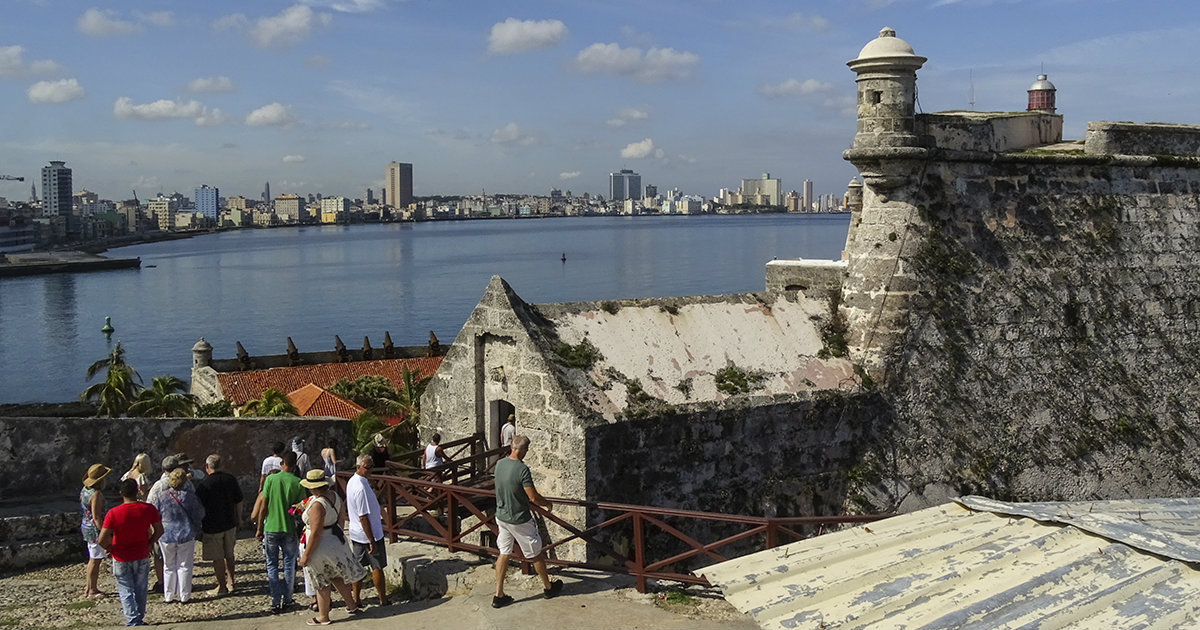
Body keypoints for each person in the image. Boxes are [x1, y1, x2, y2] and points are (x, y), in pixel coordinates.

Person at [492, 435, 562, 608]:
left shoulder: (499, 464)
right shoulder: (522, 469)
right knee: (535, 553)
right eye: (526, 450)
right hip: (519, 518)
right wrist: (548, 503)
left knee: (504, 552)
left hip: (501, 516)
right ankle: (548, 587)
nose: (526, 453)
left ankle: (498, 594)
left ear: (511, 447)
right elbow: (533, 497)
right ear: (522, 450)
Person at [297, 469, 365, 625]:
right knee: (336, 576)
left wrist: (306, 555)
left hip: (320, 547)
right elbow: (340, 520)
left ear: (312, 487)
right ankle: (352, 605)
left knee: (321, 582)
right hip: (334, 540)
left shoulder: (317, 505)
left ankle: (323, 616)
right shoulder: (335, 497)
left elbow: (315, 533)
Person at [99, 478, 163, 627]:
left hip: (121, 556)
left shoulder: (113, 513)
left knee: (125, 588)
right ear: (138, 491)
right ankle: (138, 617)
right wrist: (149, 543)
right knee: (141, 588)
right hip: (141, 553)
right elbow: (159, 530)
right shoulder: (148, 509)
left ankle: (133, 619)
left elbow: (101, 538)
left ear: (121, 493)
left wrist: (110, 548)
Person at [253, 450, 306, 614]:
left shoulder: (270, 479)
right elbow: (301, 507)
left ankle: (276, 600)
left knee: (272, 564)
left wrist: (259, 527)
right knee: (290, 564)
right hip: (289, 527)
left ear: (282, 463)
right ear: (294, 465)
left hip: (271, 527)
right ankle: (288, 598)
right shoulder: (298, 482)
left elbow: (263, 505)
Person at [150, 468, 205, 603]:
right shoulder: (189, 496)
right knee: (184, 565)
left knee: (168, 566)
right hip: (186, 533)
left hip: (166, 534)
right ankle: (184, 595)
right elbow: (199, 514)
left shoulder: (160, 496)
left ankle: (169, 595)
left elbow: (154, 514)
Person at [195, 454, 243, 596]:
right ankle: (231, 582)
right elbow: (239, 500)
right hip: (229, 522)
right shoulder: (230, 479)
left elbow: (198, 506)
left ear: (207, 467)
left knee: (218, 557)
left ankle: (222, 586)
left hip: (212, 525)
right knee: (229, 554)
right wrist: (238, 518)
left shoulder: (204, 485)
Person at [347, 454, 390, 608]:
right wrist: (371, 540)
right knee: (377, 567)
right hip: (369, 534)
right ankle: (382, 599)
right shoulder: (360, 488)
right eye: (367, 467)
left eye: (372, 466)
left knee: (358, 568)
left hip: (357, 533)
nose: (370, 470)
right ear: (358, 467)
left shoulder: (353, 482)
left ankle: (356, 599)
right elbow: (363, 517)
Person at [80, 463, 111, 600]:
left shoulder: (84, 490)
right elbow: (97, 516)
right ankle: (92, 589)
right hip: (93, 528)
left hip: (85, 524)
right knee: (95, 560)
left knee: (92, 558)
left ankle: (88, 587)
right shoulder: (96, 494)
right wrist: (105, 532)